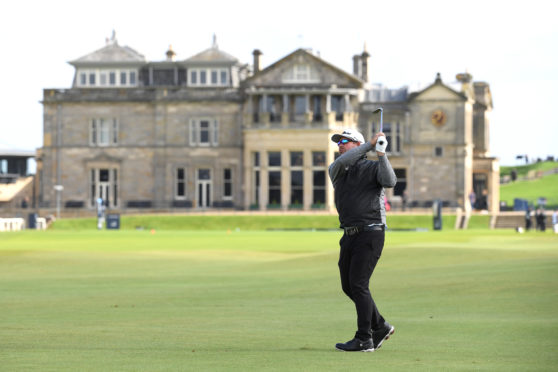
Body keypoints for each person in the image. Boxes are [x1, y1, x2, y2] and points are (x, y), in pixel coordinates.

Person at [328, 128, 397, 352]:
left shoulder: (374, 166)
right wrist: (369, 144)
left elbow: (390, 181)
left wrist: (381, 153)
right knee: (348, 286)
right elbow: (346, 159)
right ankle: (380, 326)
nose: (340, 145)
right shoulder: (337, 169)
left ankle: (364, 338)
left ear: (356, 144)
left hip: (371, 231)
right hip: (348, 234)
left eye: (345, 141)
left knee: (358, 284)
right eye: (338, 142)